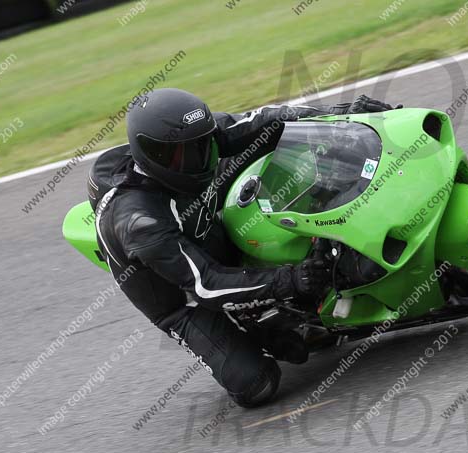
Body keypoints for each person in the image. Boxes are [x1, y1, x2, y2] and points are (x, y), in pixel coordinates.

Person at [90, 88, 396, 407]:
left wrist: (343, 115)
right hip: (185, 297)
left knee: (280, 145)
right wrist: (289, 280)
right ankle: (255, 327)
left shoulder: (197, 143)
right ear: (153, 155)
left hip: (203, 226)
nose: (200, 158)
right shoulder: (141, 223)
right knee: (257, 384)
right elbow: (206, 285)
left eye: (203, 145)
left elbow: (268, 120)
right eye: (185, 154)